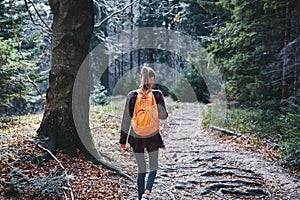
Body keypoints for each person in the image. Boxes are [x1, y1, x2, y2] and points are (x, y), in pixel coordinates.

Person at [120, 66, 168, 200]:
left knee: (141, 168)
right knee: (153, 166)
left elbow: (126, 119)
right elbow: (164, 116)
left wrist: (122, 141)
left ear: (141, 78)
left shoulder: (132, 95)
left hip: (137, 136)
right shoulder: (157, 94)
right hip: (152, 136)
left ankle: (140, 197)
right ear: (152, 79)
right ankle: (147, 192)